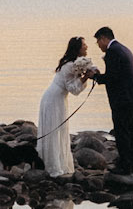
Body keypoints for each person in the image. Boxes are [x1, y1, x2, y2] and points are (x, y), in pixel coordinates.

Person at [37, 34, 99, 179]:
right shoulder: (70, 66)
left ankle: (56, 162)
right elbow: (73, 89)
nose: (87, 47)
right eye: (84, 46)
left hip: (57, 98)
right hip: (54, 99)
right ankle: (53, 166)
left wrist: (85, 75)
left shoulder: (71, 63)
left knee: (58, 130)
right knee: (55, 131)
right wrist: (85, 77)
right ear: (78, 49)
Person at [93, 25, 133, 178]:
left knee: (122, 132)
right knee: (131, 131)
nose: (99, 46)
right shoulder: (123, 48)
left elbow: (112, 77)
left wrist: (95, 76)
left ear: (103, 38)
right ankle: (131, 163)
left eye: (98, 42)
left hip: (123, 99)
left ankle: (125, 166)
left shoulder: (112, 52)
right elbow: (118, 74)